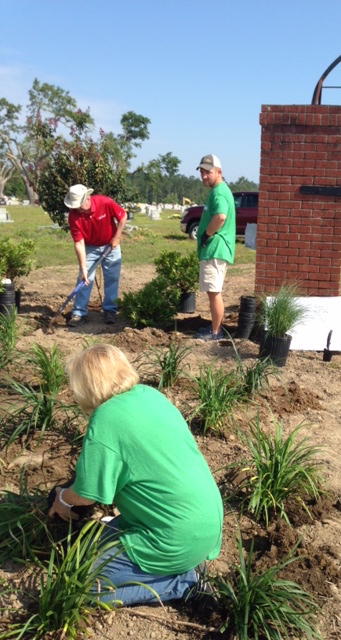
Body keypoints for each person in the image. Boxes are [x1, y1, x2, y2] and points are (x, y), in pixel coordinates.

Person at [48, 343, 223, 606]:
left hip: (174, 537)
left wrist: (62, 499)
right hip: (205, 522)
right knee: (87, 549)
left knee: (80, 586)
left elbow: (84, 496)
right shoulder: (148, 395)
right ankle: (176, 565)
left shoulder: (105, 419)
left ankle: (184, 582)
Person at [64, 184, 127, 327]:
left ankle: (110, 310)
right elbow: (79, 244)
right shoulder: (74, 216)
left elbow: (123, 217)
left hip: (110, 245)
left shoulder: (105, 202)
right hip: (89, 248)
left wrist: (117, 237)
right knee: (85, 279)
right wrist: (83, 268)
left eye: (79, 205)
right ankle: (79, 312)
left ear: (87, 198)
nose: (77, 209)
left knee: (112, 278)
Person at [196, 154, 236, 341]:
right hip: (215, 249)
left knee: (214, 292)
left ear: (219, 172)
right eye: (202, 172)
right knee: (213, 291)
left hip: (215, 248)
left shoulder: (219, 191)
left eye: (208, 172)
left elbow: (220, 216)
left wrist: (206, 234)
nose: (204, 176)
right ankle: (214, 329)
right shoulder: (219, 190)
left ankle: (215, 333)